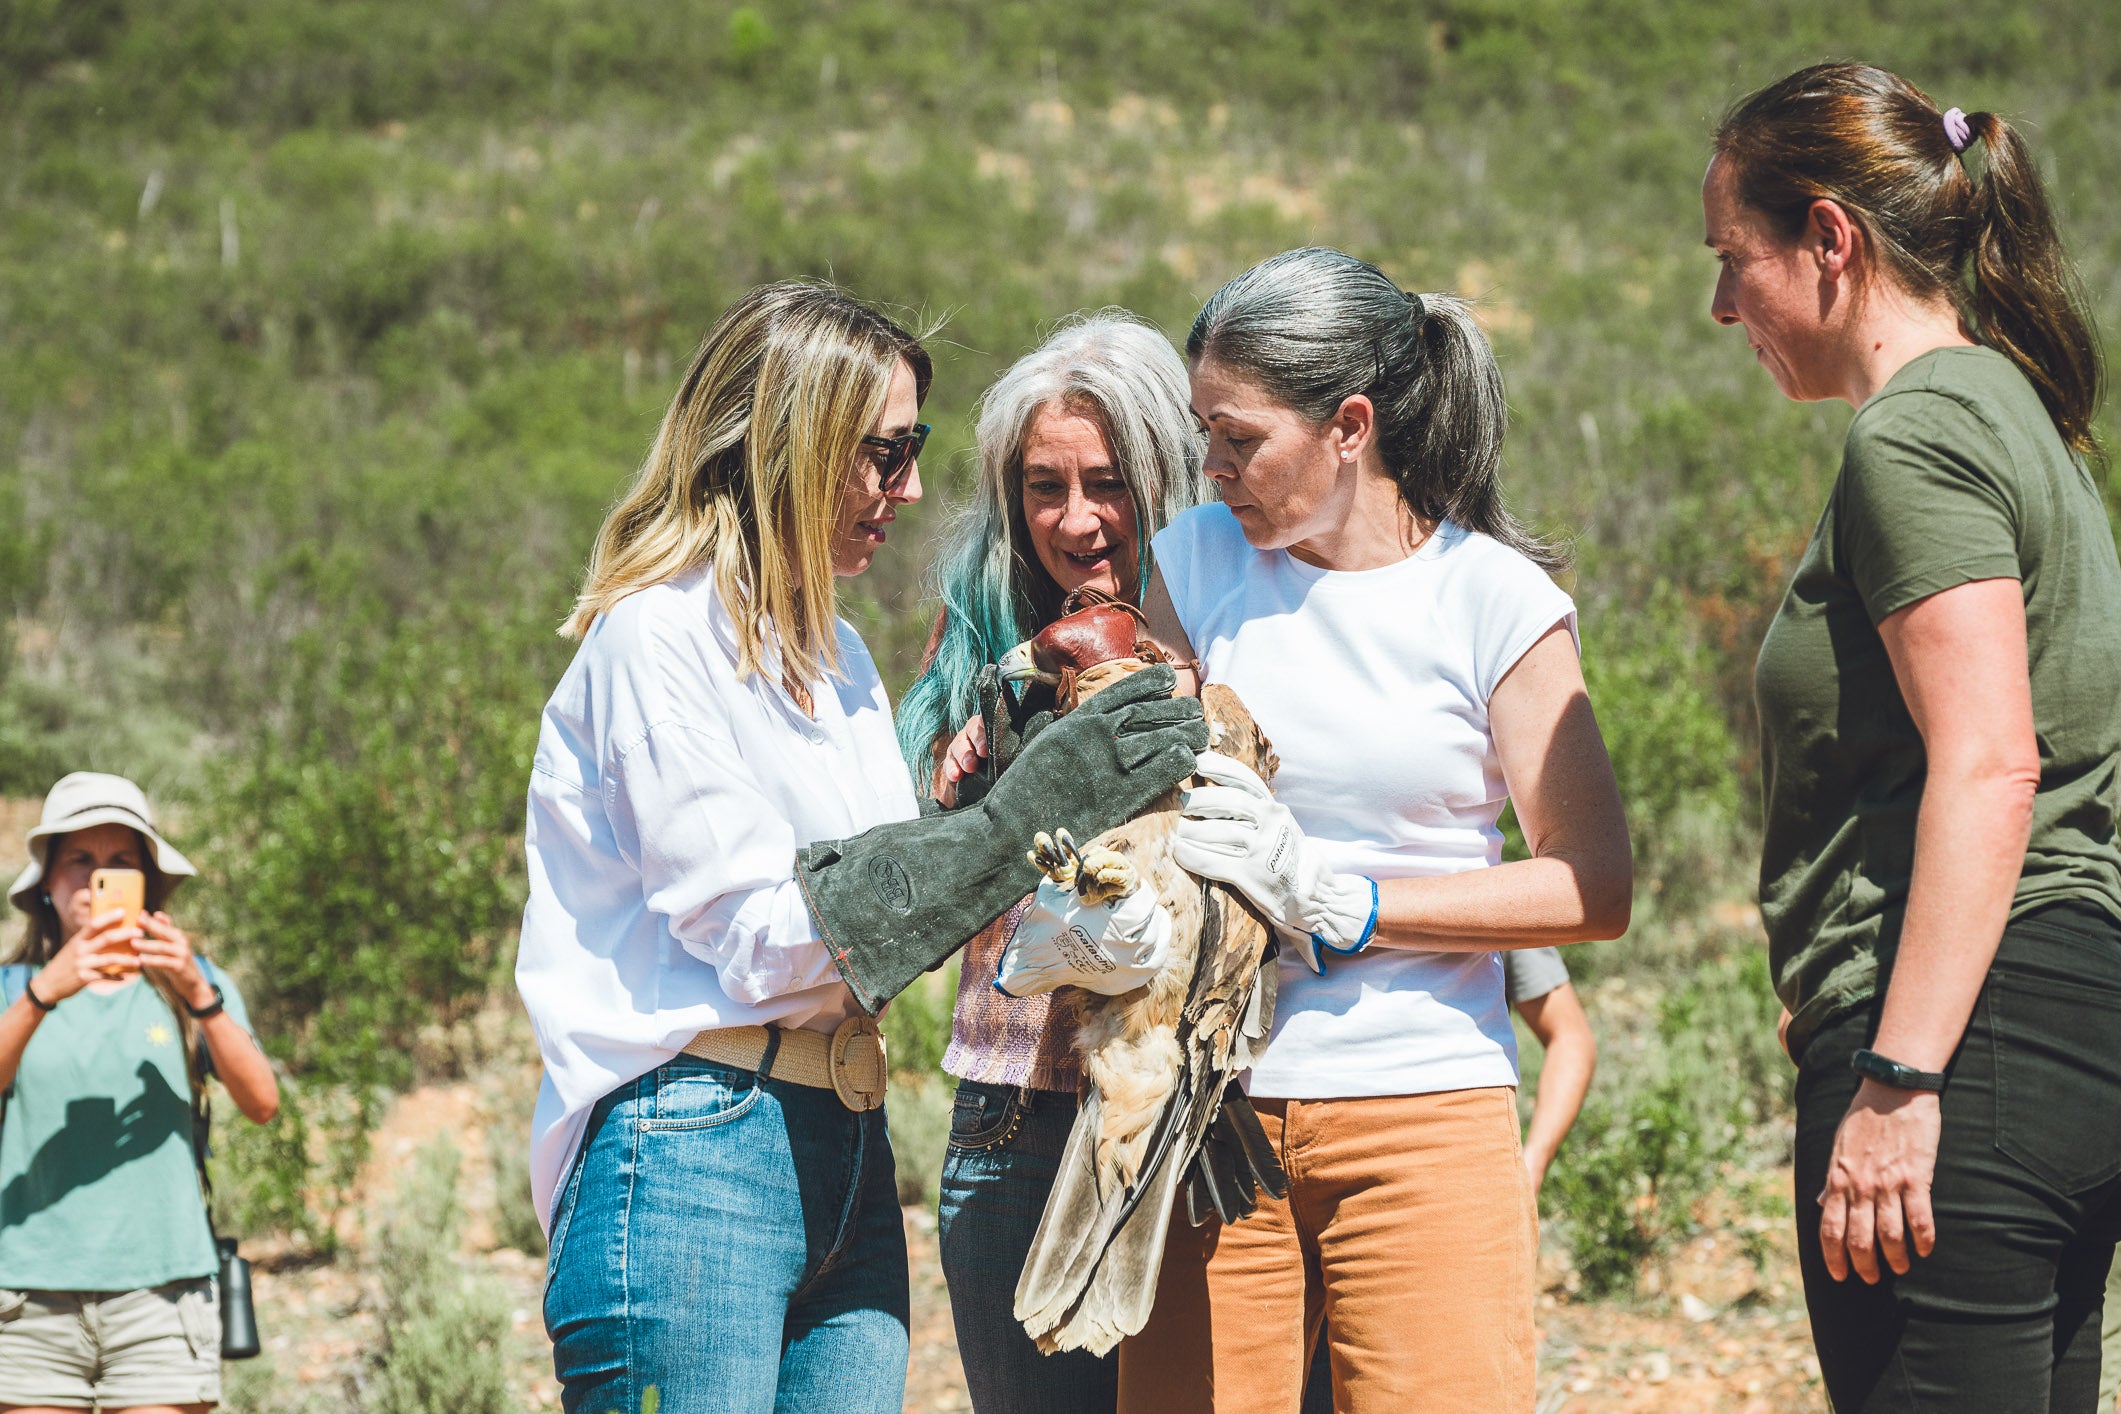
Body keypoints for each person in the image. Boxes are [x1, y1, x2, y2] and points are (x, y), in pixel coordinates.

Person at [516, 283, 1206, 1414]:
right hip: (691, 1138)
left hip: (843, 1138)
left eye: (916, 448)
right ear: (789, 446)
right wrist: (1011, 822)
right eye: (884, 453)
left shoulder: (836, 656)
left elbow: (903, 889)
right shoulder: (657, 638)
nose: (914, 486)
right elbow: (760, 940)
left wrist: (985, 806)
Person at [1066, 247, 1633, 1412]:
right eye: (1201, 433)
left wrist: (1351, 901)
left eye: (1239, 438)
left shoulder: (1495, 604)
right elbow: (1146, 802)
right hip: (1209, 1117)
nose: (1211, 470)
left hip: (1426, 1114)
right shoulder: (1194, 565)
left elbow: (1591, 885)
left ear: (1351, 425)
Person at [1709, 63, 2121, 1413]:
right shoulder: (2023, 419)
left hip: (1962, 1037)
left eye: (1735, 260)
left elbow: (1993, 759)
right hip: (2059, 1030)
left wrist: (1899, 1073)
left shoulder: (1918, 431)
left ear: (1831, 238)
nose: (1723, 307)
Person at [892, 310, 1205, 1414]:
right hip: (1015, 1108)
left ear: (1168, 474)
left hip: (1197, 1113)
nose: (1075, 520)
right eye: (1043, 486)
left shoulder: (1230, 610)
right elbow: (920, 873)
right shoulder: (979, 625)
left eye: (1109, 482)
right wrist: (961, 771)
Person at [0, 771, 279, 1413]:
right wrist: (48, 990)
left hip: (163, 1294)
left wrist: (198, 993)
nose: (97, 879)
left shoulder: (193, 987)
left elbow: (262, 1104)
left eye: (120, 862)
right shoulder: (15, 988)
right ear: (46, 880)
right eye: (80, 861)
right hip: (28, 1297)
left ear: (147, 883)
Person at [1299, 945, 1597, 1412]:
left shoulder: (1478, 879)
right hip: (1260, 1191)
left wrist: (1529, 1165)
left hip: (1429, 1201)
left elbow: (1570, 1035)